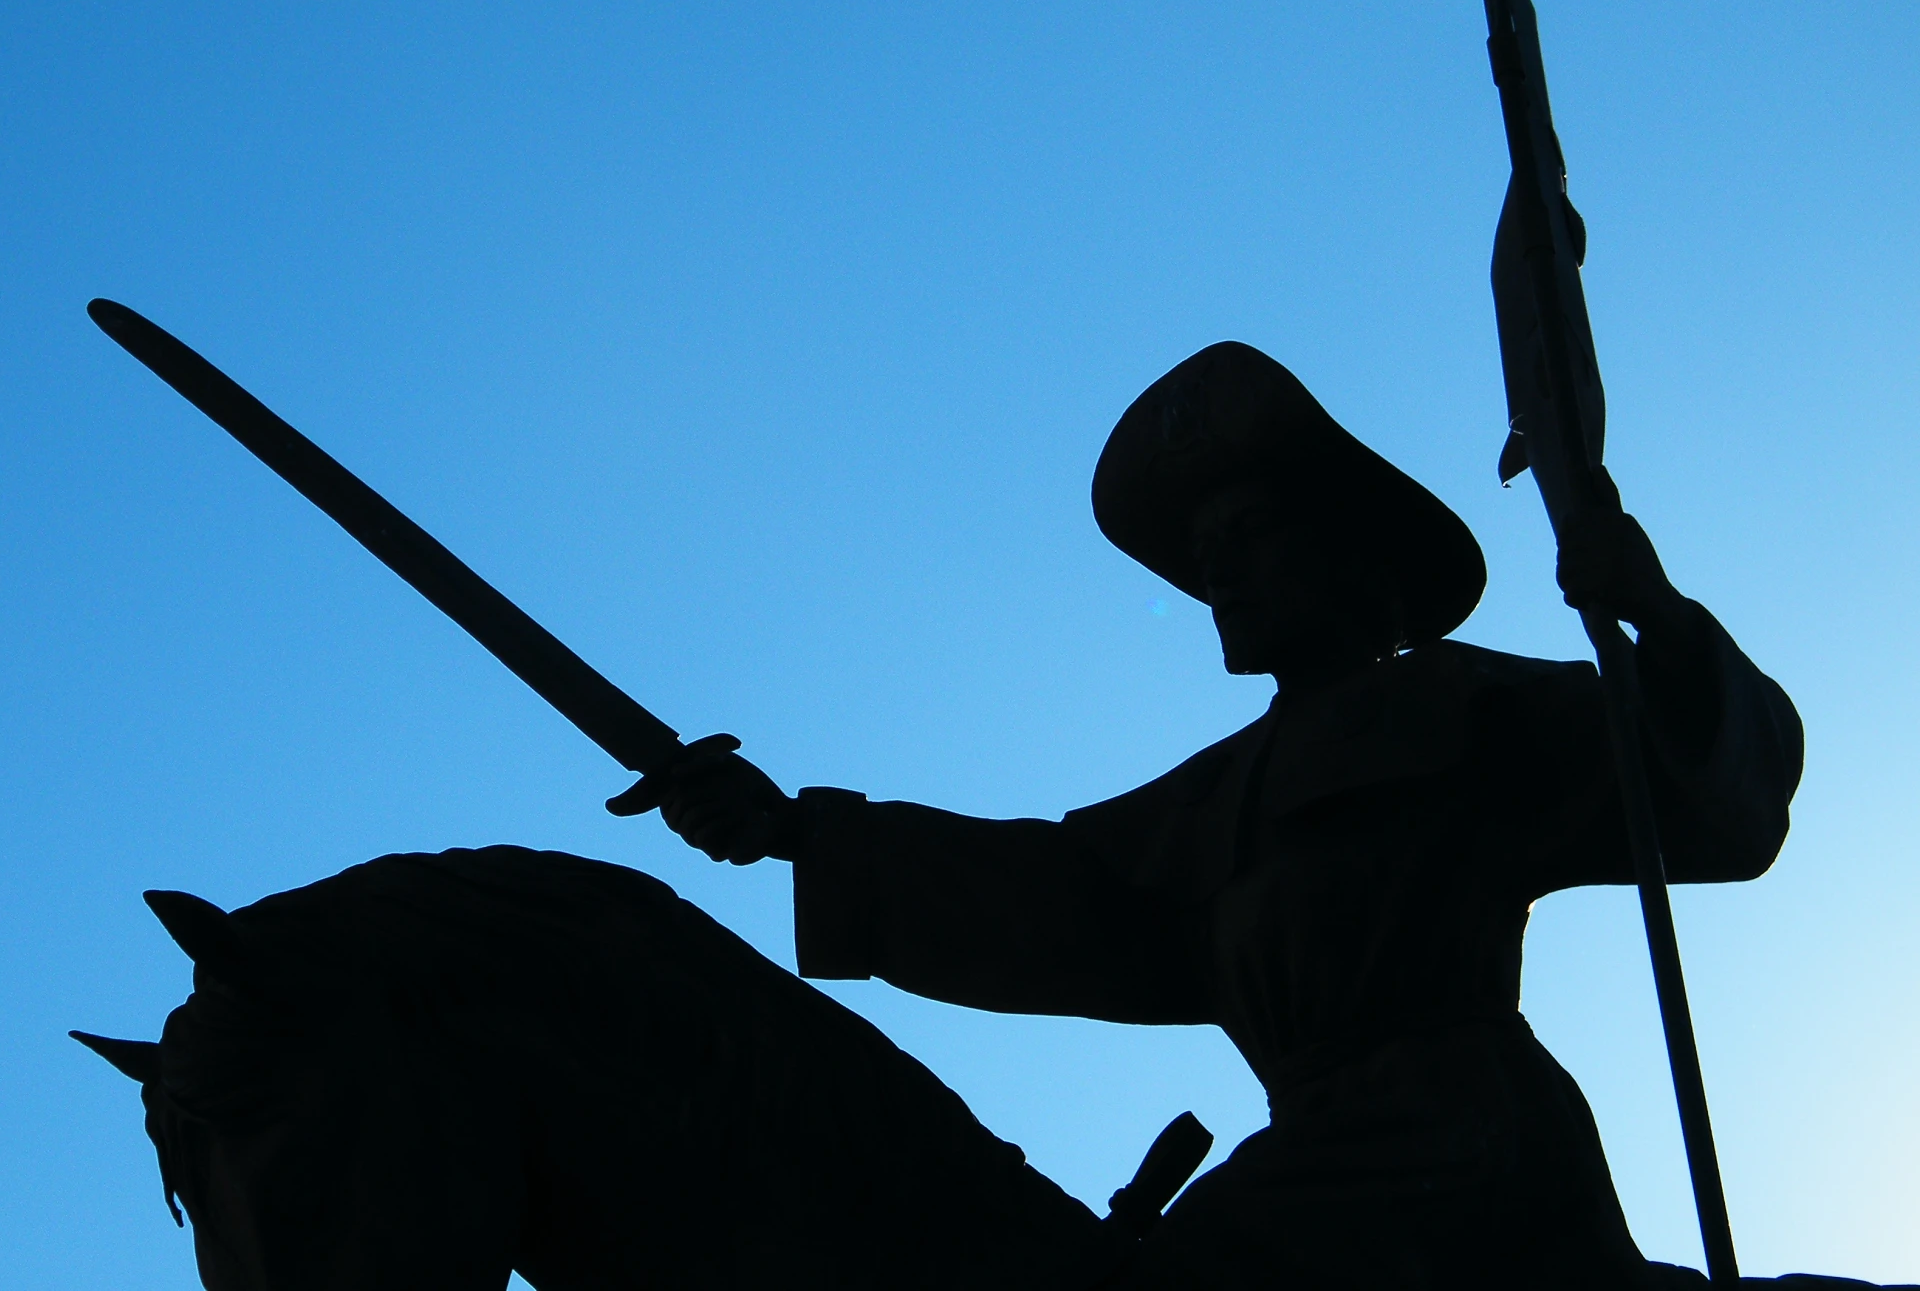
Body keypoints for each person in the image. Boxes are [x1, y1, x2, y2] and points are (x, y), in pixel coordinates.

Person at [608, 340, 1804, 1288]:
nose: (1217, 577)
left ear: (1345, 559)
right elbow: (1041, 894)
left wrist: (1653, 615)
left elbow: (1700, 791)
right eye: (1202, 556)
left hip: (1456, 1154)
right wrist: (796, 835)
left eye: (1244, 540)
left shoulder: (1456, 703)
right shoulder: (1212, 797)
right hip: (1316, 1163)